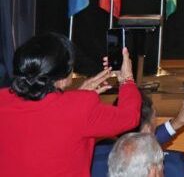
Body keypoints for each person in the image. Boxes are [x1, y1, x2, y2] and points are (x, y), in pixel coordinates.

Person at [0, 32, 140, 175]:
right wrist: (127, 79)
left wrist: (78, 96)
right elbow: (129, 117)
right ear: (62, 77)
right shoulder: (81, 108)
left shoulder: (3, 99)